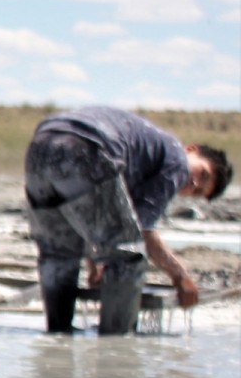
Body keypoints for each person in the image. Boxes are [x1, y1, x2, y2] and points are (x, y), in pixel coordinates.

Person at [24, 107, 229, 334]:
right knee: (130, 257)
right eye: (203, 174)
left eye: (198, 192)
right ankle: (116, 345)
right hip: (87, 146)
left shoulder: (145, 162)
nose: (194, 184)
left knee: (59, 256)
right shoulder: (177, 159)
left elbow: (88, 217)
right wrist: (180, 276)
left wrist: (93, 264)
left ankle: (57, 339)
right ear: (191, 150)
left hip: (41, 147)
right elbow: (142, 231)